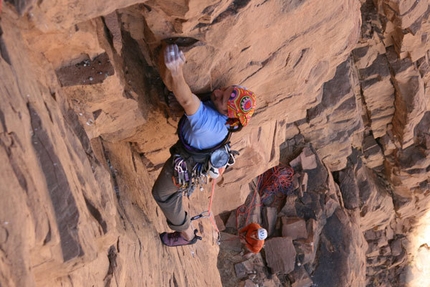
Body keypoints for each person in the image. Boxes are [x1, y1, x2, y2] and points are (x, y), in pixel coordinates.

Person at [152, 44, 257, 247]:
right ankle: (184, 226)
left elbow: (185, 98)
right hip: (197, 161)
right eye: (224, 90)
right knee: (172, 193)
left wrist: (176, 70)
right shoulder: (229, 122)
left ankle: (187, 235)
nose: (217, 92)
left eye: (221, 98)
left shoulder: (208, 123)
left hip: (185, 165)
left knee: (163, 194)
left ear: (228, 114)